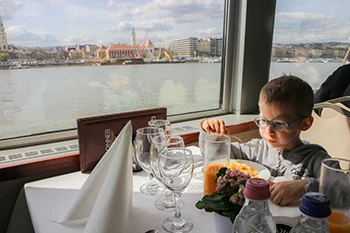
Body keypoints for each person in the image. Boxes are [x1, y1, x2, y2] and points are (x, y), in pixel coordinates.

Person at [200, 75, 331, 206]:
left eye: (279, 124)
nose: (268, 131)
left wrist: (306, 187)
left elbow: (343, 188)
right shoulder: (256, 149)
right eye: (263, 120)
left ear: (305, 124)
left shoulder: (316, 159)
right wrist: (214, 137)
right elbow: (217, 158)